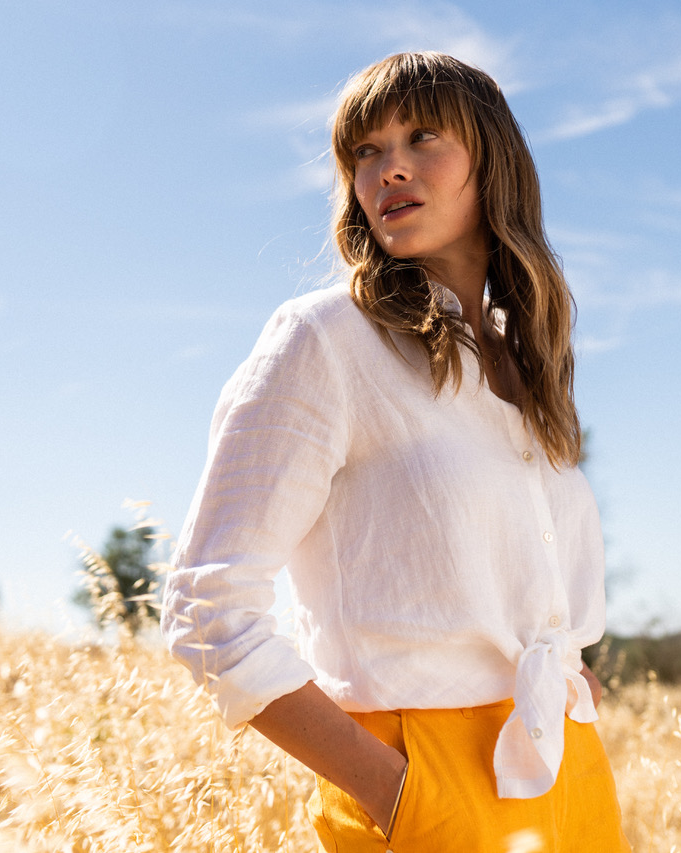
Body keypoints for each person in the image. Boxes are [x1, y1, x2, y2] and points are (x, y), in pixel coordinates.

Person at [161, 51, 630, 852]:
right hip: (424, 783)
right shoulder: (325, 339)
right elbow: (208, 607)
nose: (390, 170)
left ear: (494, 163)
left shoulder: (528, 364)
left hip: (571, 775)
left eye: (422, 138)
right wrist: (399, 792)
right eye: (366, 151)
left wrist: (571, 677)